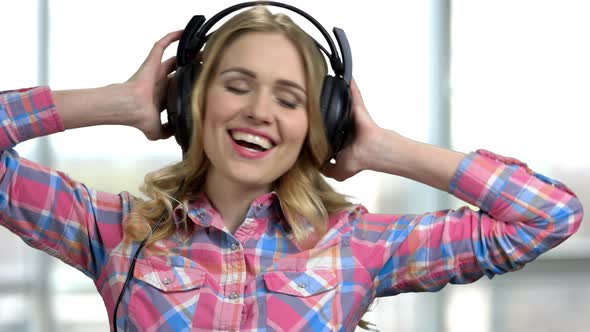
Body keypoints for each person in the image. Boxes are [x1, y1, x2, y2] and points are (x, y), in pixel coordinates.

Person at [0, 4, 584, 332]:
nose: (259, 112)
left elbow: (546, 217)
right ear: (191, 102)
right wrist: (114, 103)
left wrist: (383, 148)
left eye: (289, 98)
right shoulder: (116, 231)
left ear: (321, 122)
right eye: (236, 86)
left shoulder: (357, 246)